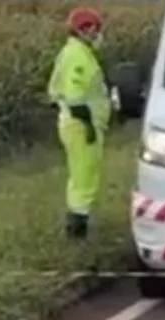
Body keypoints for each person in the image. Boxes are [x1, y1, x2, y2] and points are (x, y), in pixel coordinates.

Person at [48, 6, 111, 240]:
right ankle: (77, 229)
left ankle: (78, 222)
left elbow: (54, 92)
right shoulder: (77, 56)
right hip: (81, 124)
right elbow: (75, 98)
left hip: (76, 123)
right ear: (85, 29)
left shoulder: (73, 52)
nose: (98, 35)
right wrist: (89, 127)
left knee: (81, 174)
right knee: (84, 176)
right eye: (95, 29)